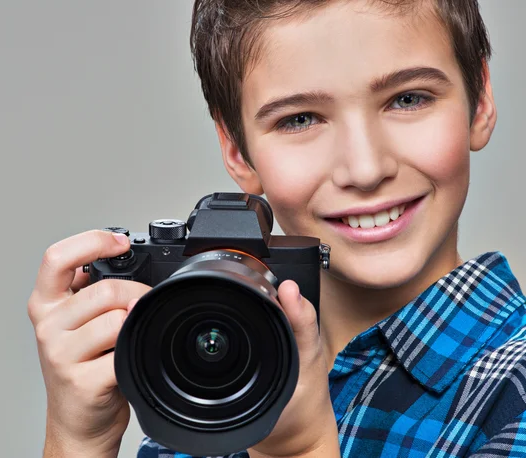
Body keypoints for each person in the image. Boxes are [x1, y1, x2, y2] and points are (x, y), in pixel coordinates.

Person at [27, 0, 526, 457]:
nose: (365, 168)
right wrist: (77, 441)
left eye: (409, 99)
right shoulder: (199, 394)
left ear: (479, 99)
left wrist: (297, 450)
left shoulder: (511, 397)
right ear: (238, 151)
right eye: (300, 118)